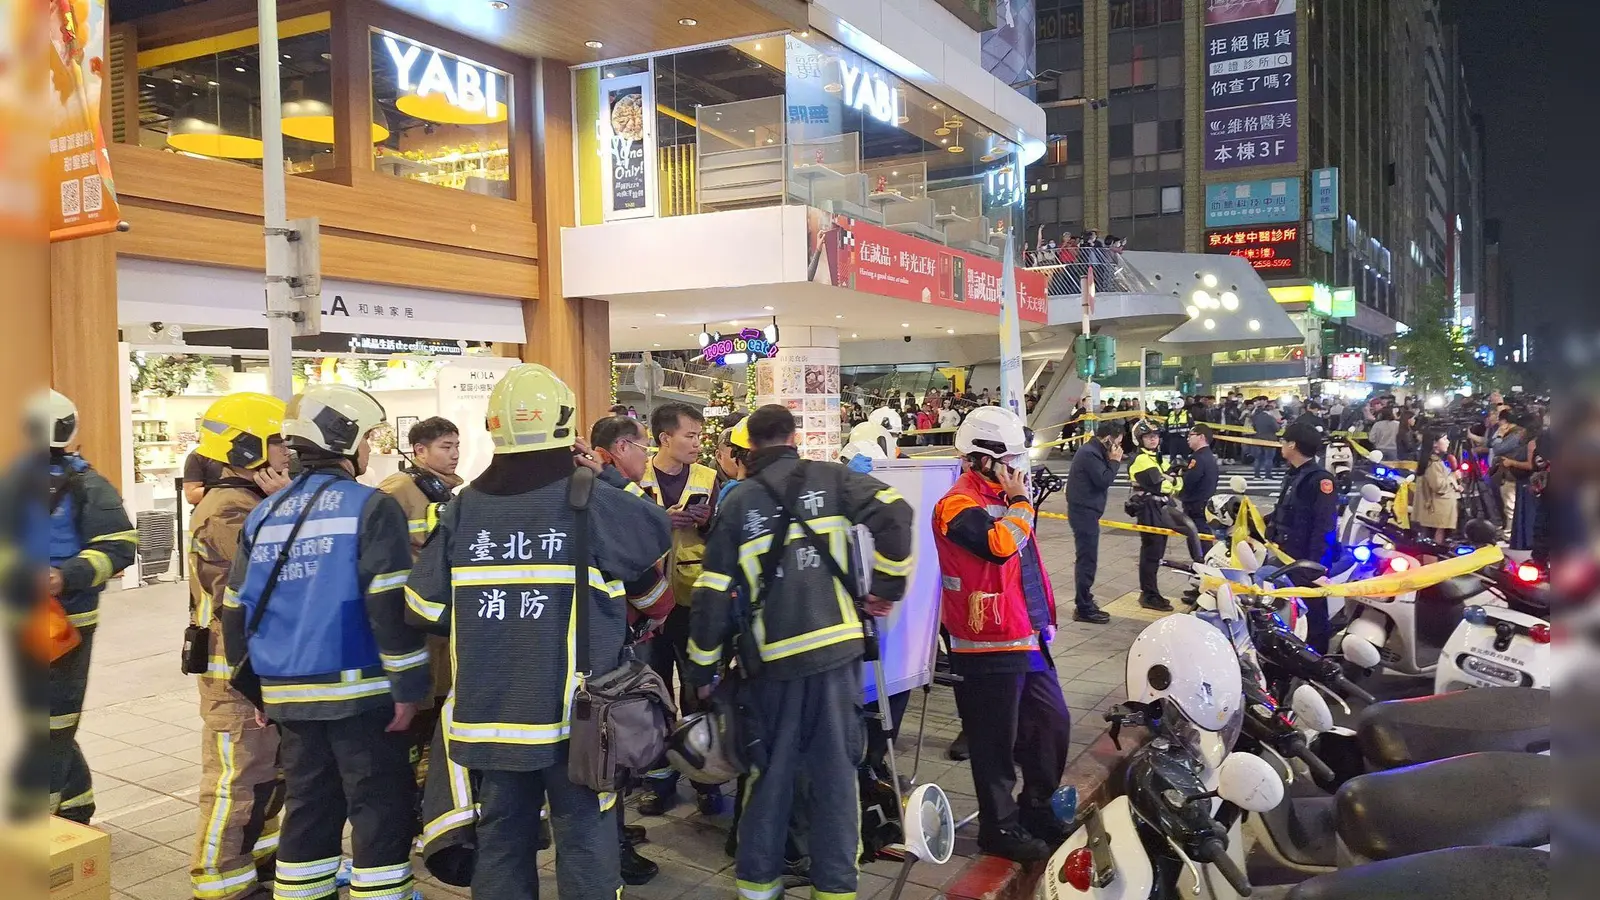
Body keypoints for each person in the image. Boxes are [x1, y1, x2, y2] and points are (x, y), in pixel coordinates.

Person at [404, 366, 672, 900]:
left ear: (494, 427)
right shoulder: (595, 500)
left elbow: (421, 606)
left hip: (491, 719)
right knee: (586, 842)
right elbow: (654, 583)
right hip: (580, 723)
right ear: (567, 425)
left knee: (502, 840)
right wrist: (605, 476)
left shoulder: (462, 509)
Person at [684, 404, 914, 900]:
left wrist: (701, 669)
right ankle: (834, 890)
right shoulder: (833, 480)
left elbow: (711, 593)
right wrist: (888, 587)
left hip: (772, 668)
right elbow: (896, 509)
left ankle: (759, 889)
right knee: (835, 777)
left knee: (768, 780)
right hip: (837, 661)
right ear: (793, 437)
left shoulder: (738, 502)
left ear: (749, 449)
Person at [219, 384, 427, 900]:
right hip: (360, 692)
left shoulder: (264, 513)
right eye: (368, 438)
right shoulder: (369, 507)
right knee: (378, 807)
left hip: (289, 691)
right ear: (345, 437)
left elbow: (234, 612)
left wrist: (257, 692)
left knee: (309, 809)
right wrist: (409, 686)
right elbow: (387, 603)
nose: (370, 450)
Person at [933, 408, 1073, 861]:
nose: (1018, 465)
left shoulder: (1006, 496)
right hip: (986, 640)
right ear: (980, 458)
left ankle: (1036, 808)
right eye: (1009, 456)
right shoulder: (956, 504)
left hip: (1025, 633)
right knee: (994, 743)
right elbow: (997, 548)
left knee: (1051, 724)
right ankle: (1000, 827)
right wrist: (1021, 505)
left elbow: (1026, 566)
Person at [186, 392, 292, 900]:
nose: (288, 451)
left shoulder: (249, 503)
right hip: (233, 675)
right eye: (279, 442)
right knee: (235, 780)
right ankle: (219, 880)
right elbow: (260, 581)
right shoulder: (229, 509)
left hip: (255, 667)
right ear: (249, 448)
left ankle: (258, 861)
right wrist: (287, 508)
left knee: (267, 775)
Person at [39, 390, 137, 824]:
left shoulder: (87, 485)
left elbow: (119, 546)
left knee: (52, 721)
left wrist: (65, 575)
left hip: (67, 622)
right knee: (41, 718)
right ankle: (75, 808)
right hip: (26, 618)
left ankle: (44, 825)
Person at [586, 413, 675, 884]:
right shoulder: (605, 497)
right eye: (641, 446)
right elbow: (645, 568)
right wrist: (660, 608)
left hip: (574, 651)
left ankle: (614, 833)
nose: (646, 455)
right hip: (602, 651)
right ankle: (612, 848)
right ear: (619, 448)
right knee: (606, 751)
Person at [635, 402, 726, 816]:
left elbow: (721, 533)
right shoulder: (638, 477)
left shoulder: (709, 477)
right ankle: (659, 778)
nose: (696, 442)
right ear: (664, 438)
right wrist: (660, 520)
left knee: (698, 690)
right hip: (648, 602)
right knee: (652, 693)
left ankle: (706, 776)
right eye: (689, 435)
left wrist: (704, 522)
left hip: (693, 599)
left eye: (699, 435)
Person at [377, 416, 463, 777]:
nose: (455, 454)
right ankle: (414, 776)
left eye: (457, 445)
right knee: (421, 699)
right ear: (419, 451)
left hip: (443, 616)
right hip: (413, 614)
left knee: (442, 693)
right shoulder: (397, 489)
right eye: (446, 447)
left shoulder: (449, 491)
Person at [1267, 422, 1340, 653]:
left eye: (1283, 441)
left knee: (1314, 616)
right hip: (1287, 556)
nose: (1281, 445)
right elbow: (1286, 511)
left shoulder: (1319, 480)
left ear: (1293, 445)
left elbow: (1325, 526)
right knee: (1289, 612)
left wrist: (1315, 568)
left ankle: (1320, 662)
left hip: (1306, 562)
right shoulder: (1295, 474)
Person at [1064, 422, 1121, 624]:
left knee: (1088, 558)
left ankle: (1085, 600)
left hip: (1087, 511)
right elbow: (1103, 480)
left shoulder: (1093, 451)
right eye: (1117, 443)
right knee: (1087, 559)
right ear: (1108, 439)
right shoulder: (1089, 453)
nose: (1118, 448)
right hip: (1083, 512)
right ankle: (1083, 606)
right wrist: (1115, 461)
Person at [1128, 419, 1180, 611]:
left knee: (1156, 553)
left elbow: (1174, 483)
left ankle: (1152, 592)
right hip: (1149, 510)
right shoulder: (1141, 459)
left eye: (1156, 436)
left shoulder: (1156, 458)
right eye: (1149, 437)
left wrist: (1171, 481)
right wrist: (1171, 480)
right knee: (1151, 553)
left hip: (1160, 509)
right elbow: (1160, 486)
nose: (1153, 439)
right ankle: (1149, 595)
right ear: (1139, 439)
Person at [1414, 430, 1462, 544]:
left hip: (1438, 510)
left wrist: (1455, 485)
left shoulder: (1434, 461)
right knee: (1434, 543)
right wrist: (1453, 477)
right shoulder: (1432, 464)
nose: (1448, 442)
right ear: (1435, 443)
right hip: (1435, 511)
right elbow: (1439, 486)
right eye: (1445, 439)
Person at [1180, 424, 1221, 528]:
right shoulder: (1209, 456)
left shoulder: (1198, 458)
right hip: (1205, 505)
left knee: (1197, 540)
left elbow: (1189, 481)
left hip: (1195, 508)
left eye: (1191, 435)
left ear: (1201, 437)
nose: (1188, 438)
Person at [1251, 397, 1281, 478]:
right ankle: (1268, 475)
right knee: (1269, 458)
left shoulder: (1257, 418)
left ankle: (1257, 475)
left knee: (1258, 458)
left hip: (1258, 438)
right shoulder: (1271, 418)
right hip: (1270, 439)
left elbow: (1254, 428)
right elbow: (1276, 429)